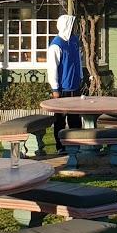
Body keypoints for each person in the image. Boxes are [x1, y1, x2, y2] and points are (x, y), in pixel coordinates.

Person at [47, 14, 84, 153]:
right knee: (60, 119)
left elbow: (79, 61)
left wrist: (80, 76)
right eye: (72, 24)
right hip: (62, 88)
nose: (74, 27)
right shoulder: (56, 45)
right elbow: (52, 68)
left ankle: (77, 145)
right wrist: (55, 88)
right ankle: (60, 146)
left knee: (75, 119)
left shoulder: (74, 40)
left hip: (75, 86)